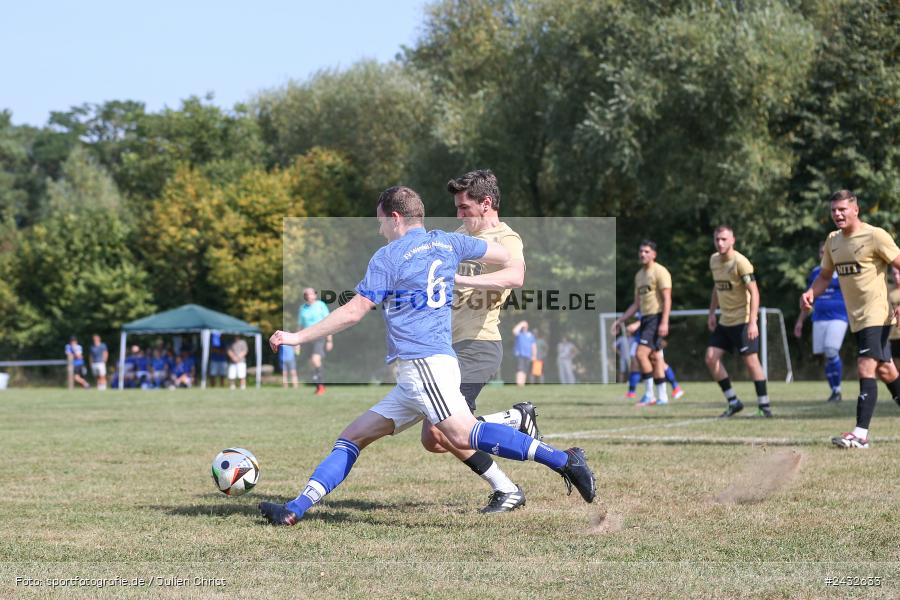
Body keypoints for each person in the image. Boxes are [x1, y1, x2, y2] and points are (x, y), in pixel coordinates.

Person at [259, 186, 595, 526]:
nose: (379, 230)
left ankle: (564, 461)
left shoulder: (388, 257)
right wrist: (463, 274)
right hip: (427, 368)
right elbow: (508, 258)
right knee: (352, 436)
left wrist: (297, 336)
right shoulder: (449, 242)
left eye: (380, 222)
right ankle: (294, 510)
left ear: (395, 218)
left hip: (422, 365)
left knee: (463, 435)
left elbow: (353, 312)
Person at [420, 169, 541, 514]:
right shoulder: (460, 235)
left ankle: (507, 488)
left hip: (479, 345)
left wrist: (460, 279)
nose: (459, 215)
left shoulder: (507, 238)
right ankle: (514, 420)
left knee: (443, 429)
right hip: (447, 347)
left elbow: (516, 276)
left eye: (464, 208)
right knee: (434, 439)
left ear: (486, 204)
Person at [801, 190, 900, 449]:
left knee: (866, 367)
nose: (837, 214)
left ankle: (860, 434)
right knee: (886, 370)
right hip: (856, 317)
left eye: (843, 209)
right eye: (834, 210)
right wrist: (811, 292)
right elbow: (824, 276)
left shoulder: (875, 235)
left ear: (856, 209)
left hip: (876, 314)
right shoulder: (833, 240)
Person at [705, 226, 772, 418]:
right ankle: (734, 402)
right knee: (710, 358)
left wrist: (753, 322)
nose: (720, 243)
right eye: (717, 239)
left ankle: (764, 406)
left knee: (751, 362)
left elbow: (755, 293)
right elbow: (716, 288)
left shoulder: (741, 262)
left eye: (724, 239)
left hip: (743, 321)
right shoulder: (713, 260)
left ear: (733, 240)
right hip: (725, 321)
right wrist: (711, 313)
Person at [611, 240, 672, 406]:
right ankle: (663, 397)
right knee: (654, 357)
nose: (643, 254)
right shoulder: (639, 276)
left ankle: (649, 394)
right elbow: (636, 304)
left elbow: (667, 299)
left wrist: (664, 322)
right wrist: (621, 320)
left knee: (640, 354)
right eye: (641, 251)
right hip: (645, 318)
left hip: (656, 318)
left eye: (646, 251)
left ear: (654, 254)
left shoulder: (660, 272)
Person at [793, 242, 848, 402]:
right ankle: (834, 392)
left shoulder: (842, 271)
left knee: (831, 350)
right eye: (821, 252)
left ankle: (837, 389)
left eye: (827, 252)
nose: (823, 255)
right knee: (824, 354)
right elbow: (809, 298)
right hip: (819, 317)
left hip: (839, 316)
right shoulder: (815, 273)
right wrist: (800, 321)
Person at [298, 288, 333, 395]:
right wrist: (296, 342)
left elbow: (329, 322)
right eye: (306, 294)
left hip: (319, 336)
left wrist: (329, 340)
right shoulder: (302, 308)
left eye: (311, 294)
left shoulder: (321, 305)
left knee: (315, 359)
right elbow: (300, 326)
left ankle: (321, 386)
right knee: (311, 363)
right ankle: (317, 385)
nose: (309, 296)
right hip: (307, 337)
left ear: (315, 295)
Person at [512, 320, 535, 387]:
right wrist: (521, 324)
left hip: (528, 355)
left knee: (525, 370)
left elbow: (533, 345)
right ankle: (519, 384)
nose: (524, 327)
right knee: (520, 369)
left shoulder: (530, 335)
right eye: (523, 326)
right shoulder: (519, 334)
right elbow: (514, 331)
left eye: (525, 326)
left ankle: (522, 384)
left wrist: (534, 355)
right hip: (520, 354)